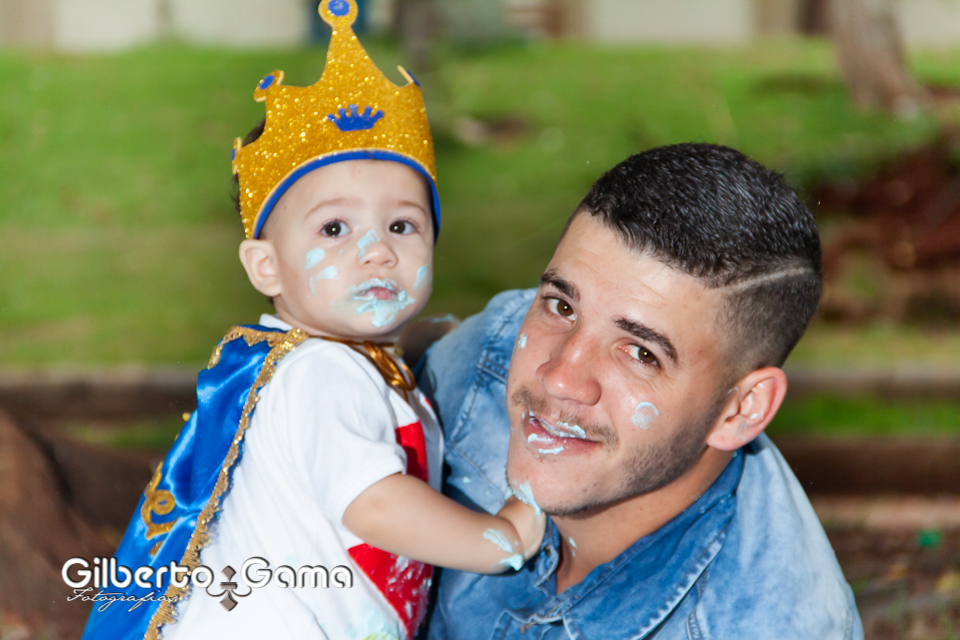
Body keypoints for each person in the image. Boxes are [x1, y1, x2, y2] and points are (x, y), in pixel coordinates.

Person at [80, 2, 542, 640]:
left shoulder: (327, 364)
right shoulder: (324, 372)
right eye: (334, 228)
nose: (377, 250)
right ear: (266, 267)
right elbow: (375, 505)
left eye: (402, 225)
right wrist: (505, 538)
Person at [417, 143, 864, 639]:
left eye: (640, 353)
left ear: (741, 410)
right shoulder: (490, 354)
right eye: (562, 306)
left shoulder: (760, 627)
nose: (560, 377)